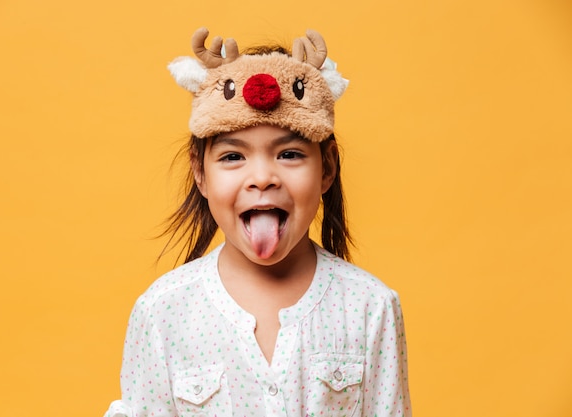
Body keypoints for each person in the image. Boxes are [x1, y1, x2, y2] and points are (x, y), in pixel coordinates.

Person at [104, 27, 411, 417]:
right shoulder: (163, 312)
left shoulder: (370, 307)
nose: (262, 177)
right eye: (233, 157)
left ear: (327, 168)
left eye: (289, 154)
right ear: (201, 173)